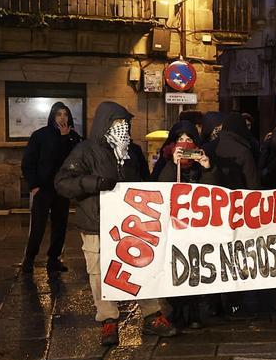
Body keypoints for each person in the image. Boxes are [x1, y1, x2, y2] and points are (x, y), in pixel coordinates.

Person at [55, 101, 174, 346]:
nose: (123, 128)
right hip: (96, 224)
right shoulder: (85, 151)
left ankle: (152, 314)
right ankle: (108, 319)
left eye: (126, 124)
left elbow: (145, 181)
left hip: (131, 225)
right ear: (105, 124)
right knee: (99, 273)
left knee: (141, 267)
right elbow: (63, 182)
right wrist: (94, 183)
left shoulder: (133, 152)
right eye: (118, 123)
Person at [153, 121, 213, 329]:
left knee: (195, 264)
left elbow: (214, 191)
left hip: (196, 226)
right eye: (181, 140)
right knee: (174, 266)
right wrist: (173, 165)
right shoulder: (165, 161)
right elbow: (158, 188)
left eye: (189, 140)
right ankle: (176, 310)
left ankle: (194, 310)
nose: (185, 144)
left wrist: (207, 168)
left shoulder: (199, 163)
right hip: (172, 227)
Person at [20, 101, 81, 273]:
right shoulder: (41, 135)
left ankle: (54, 259)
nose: (62, 117)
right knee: (38, 226)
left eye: (65, 114)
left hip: (62, 188)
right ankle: (29, 258)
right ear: (53, 116)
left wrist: (65, 137)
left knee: (60, 225)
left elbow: (73, 161)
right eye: (59, 114)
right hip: (43, 188)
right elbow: (28, 162)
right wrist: (34, 186)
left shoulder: (73, 137)